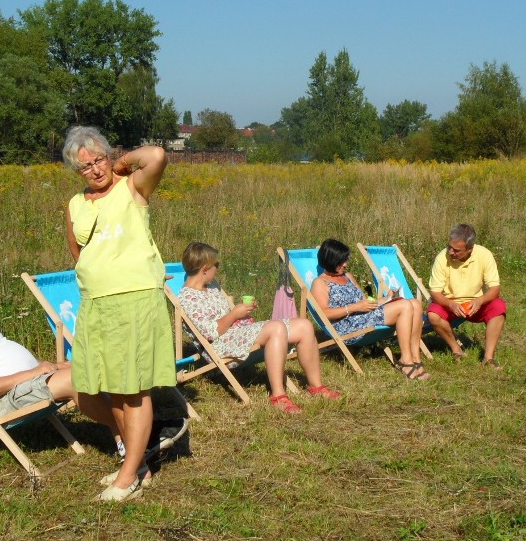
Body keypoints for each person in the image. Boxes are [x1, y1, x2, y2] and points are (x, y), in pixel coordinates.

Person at [63, 126, 177, 502]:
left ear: (109, 156)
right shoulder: (76, 205)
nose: (94, 170)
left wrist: (122, 164)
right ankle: (137, 463)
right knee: (108, 387)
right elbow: (78, 256)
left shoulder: (132, 188)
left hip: (135, 297)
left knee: (134, 388)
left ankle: (128, 477)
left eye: (99, 159)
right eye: (85, 167)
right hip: (97, 302)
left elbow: (157, 155)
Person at [0, 262, 121, 445]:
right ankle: (131, 432)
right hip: (1, 402)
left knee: (88, 366)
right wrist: (35, 373)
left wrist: (51, 366)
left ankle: (128, 433)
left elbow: (4, 352)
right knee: (76, 379)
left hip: (26, 384)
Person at [178, 242, 340, 414]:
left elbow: (226, 317)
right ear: (205, 269)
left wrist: (241, 312)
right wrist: (234, 314)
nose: (217, 269)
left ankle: (316, 386)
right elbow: (210, 333)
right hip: (220, 345)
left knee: (304, 325)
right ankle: (278, 396)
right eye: (216, 265)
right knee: (276, 327)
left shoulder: (211, 287)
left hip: (237, 333)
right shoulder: (187, 298)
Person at [310, 239, 429, 380]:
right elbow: (324, 313)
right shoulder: (320, 283)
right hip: (347, 325)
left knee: (415, 303)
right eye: (341, 262)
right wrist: (354, 307)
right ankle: (405, 361)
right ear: (330, 260)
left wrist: (387, 299)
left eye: (345, 260)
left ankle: (415, 358)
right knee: (405, 306)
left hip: (363, 315)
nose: (345, 265)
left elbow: (364, 303)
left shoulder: (348, 276)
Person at [425, 224, 507, 370]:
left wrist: (480, 300)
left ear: (470, 249)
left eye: (456, 250)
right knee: (433, 313)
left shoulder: (484, 255)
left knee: (499, 307)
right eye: (449, 246)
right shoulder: (441, 258)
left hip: (476, 303)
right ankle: (457, 350)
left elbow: (495, 289)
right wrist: (450, 304)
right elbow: (435, 292)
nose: (451, 252)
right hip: (450, 303)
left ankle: (489, 358)